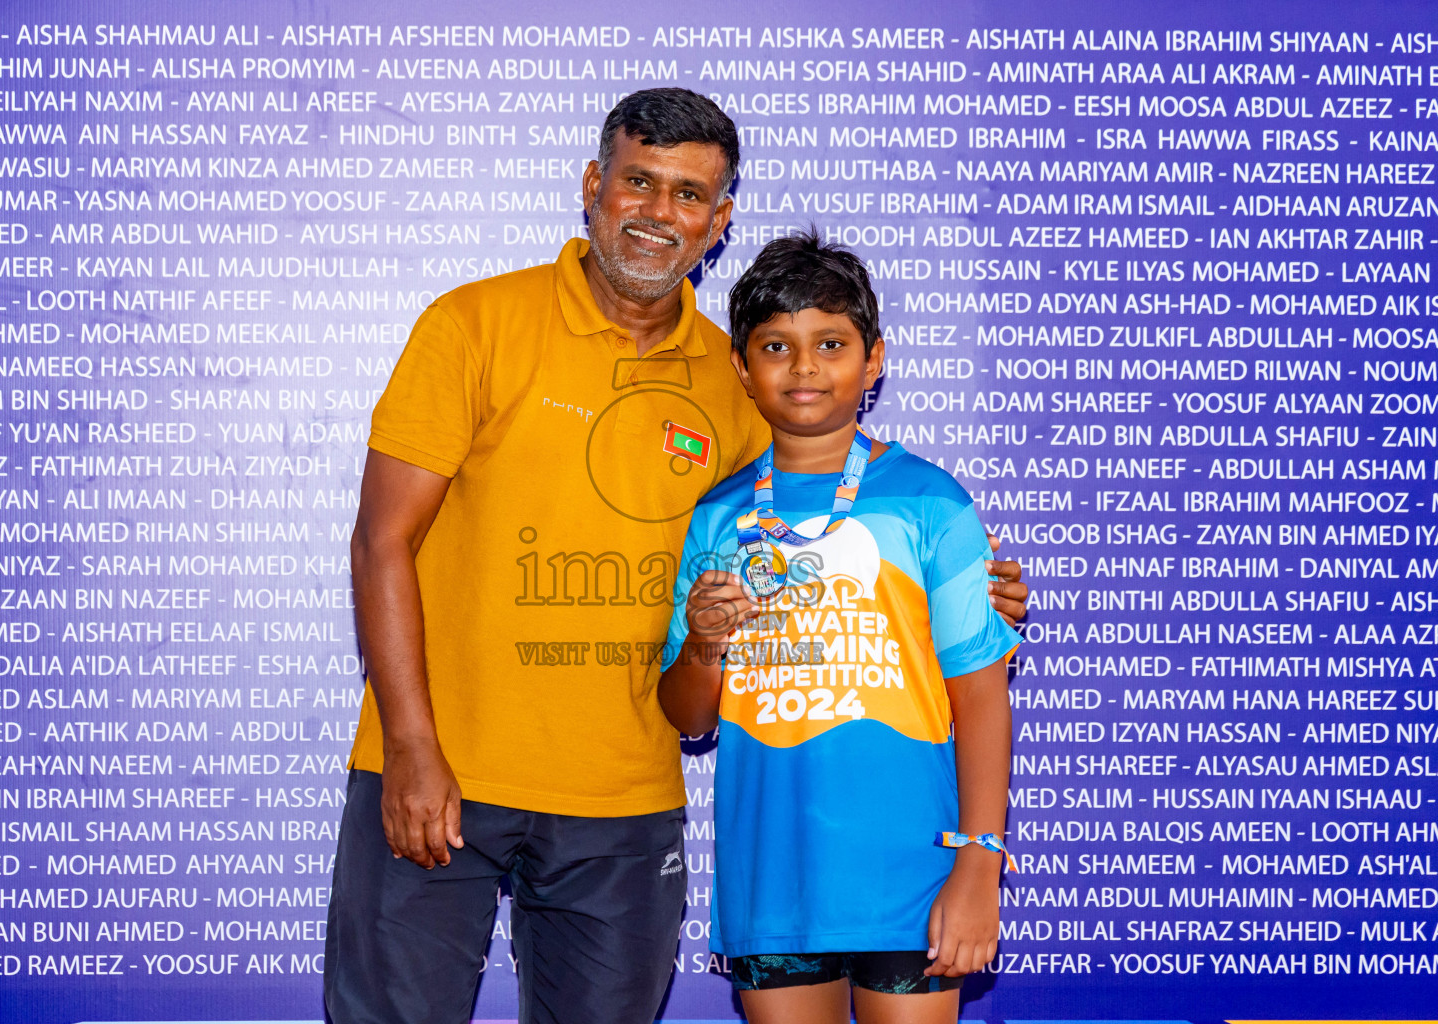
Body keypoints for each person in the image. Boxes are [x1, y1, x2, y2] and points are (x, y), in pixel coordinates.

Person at [324, 88, 1028, 1024]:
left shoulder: (742, 381)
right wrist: (410, 744)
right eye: (640, 182)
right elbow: (383, 539)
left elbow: (812, 537)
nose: (660, 213)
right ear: (593, 185)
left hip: (625, 801)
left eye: (690, 194)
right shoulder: (474, 323)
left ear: (719, 218)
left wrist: (966, 594)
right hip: (439, 774)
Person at [657, 232, 1020, 1024]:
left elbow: (983, 699)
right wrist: (703, 643)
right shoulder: (718, 516)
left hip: (913, 875)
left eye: (831, 343)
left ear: (874, 357)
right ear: (741, 368)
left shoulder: (931, 503)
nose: (805, 368)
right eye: (776, 347)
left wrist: (979, 867)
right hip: (774, 878)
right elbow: (686, 717)